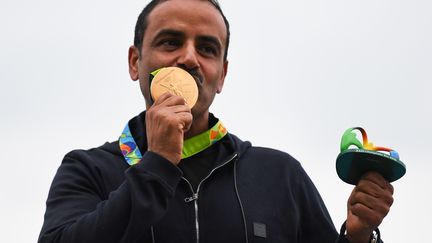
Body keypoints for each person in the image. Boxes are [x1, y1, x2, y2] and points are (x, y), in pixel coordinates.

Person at [39, 0, 394, 242]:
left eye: (207, 49)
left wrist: (357, 236)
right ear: (135, 62)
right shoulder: (87, 170)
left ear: (221, 74)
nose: (189, 58)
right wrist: (157, 163)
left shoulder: (280, 175)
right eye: (170, 41)